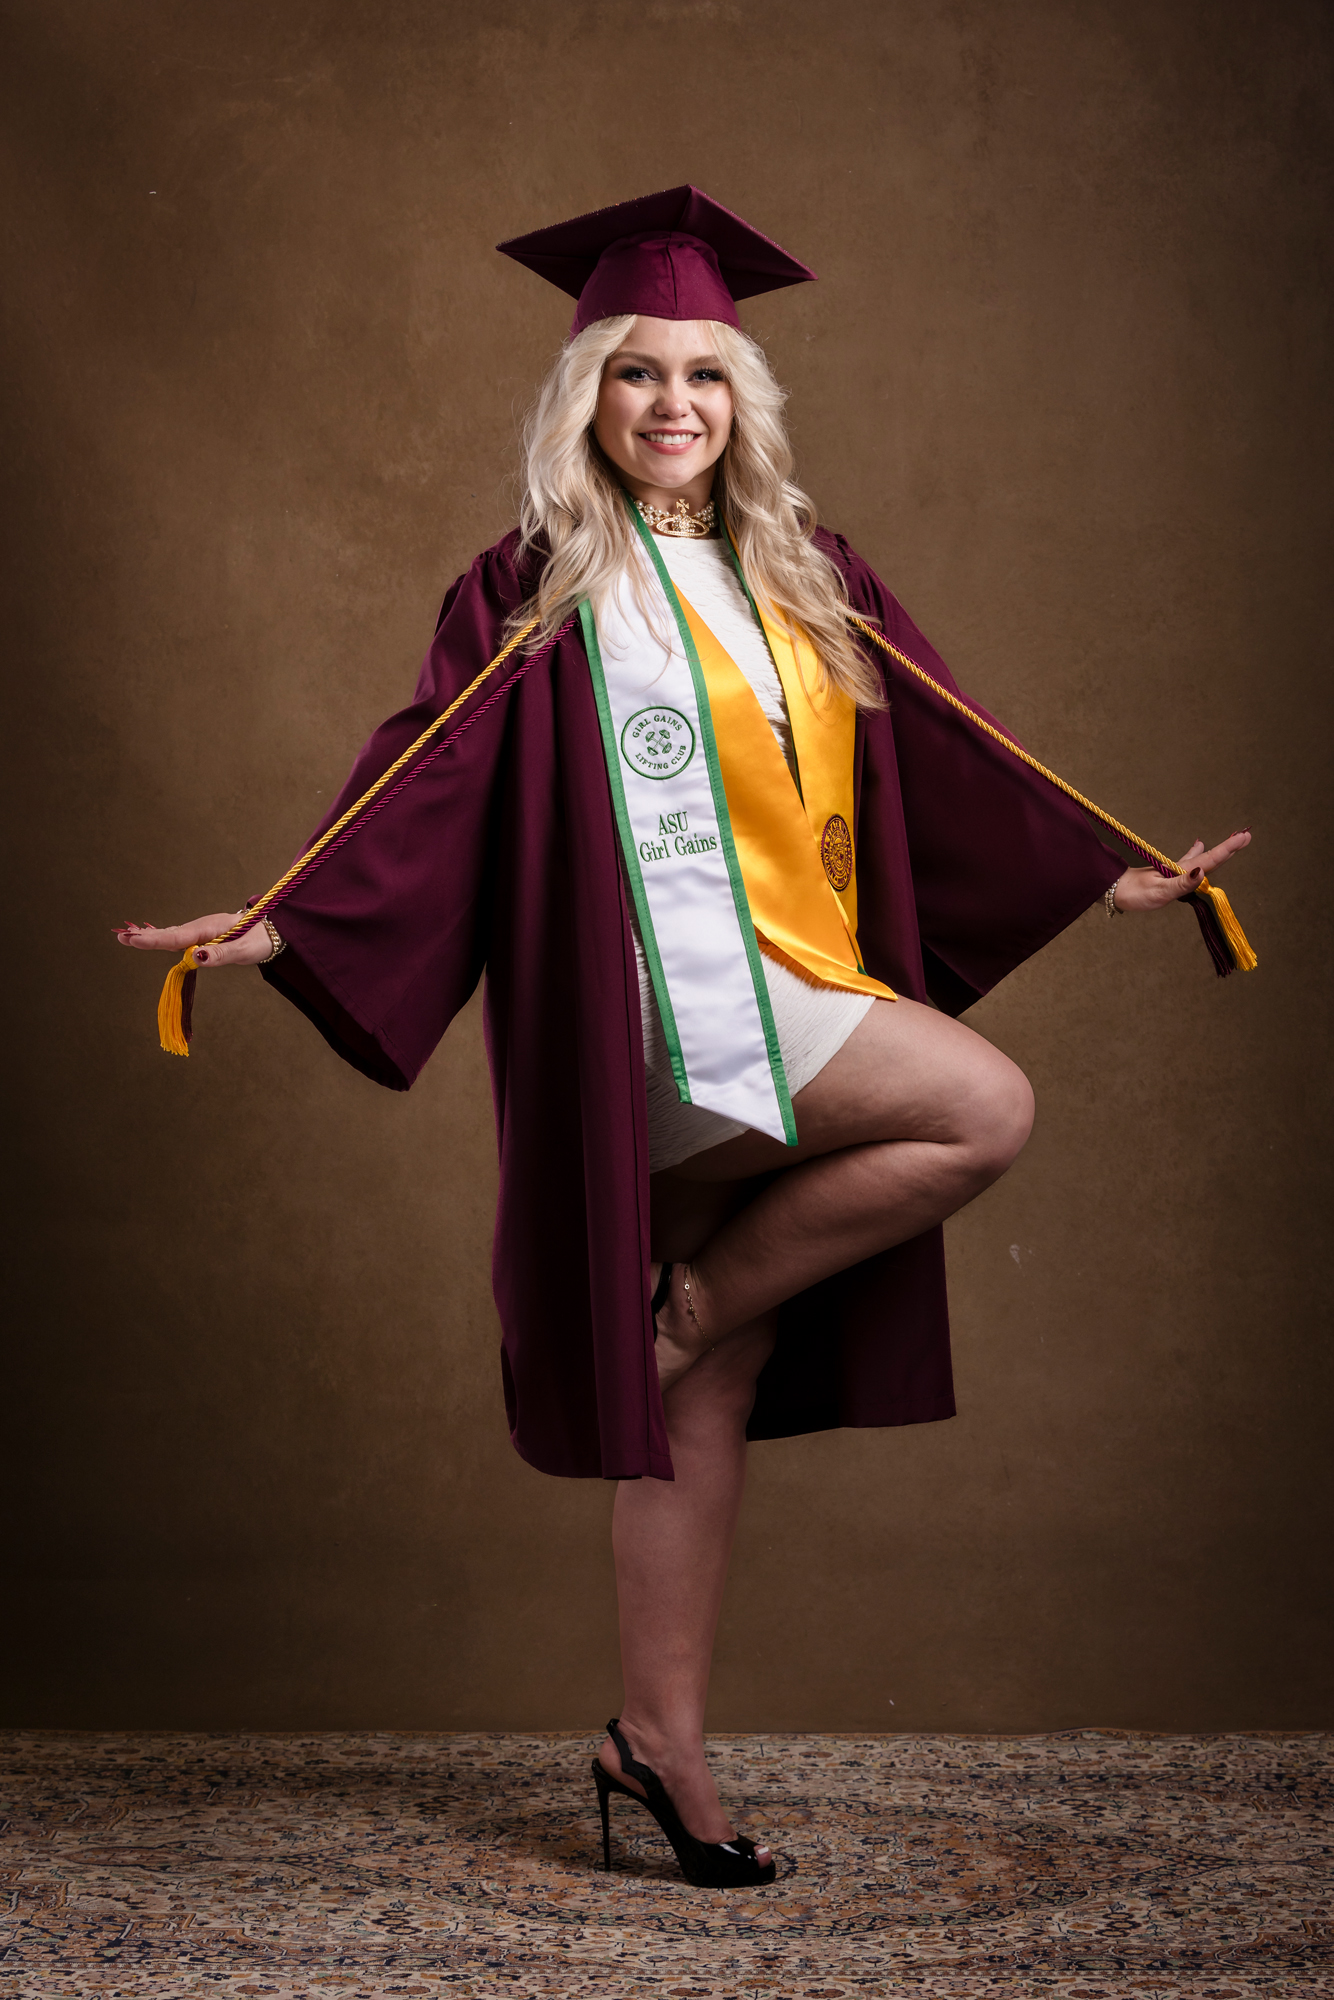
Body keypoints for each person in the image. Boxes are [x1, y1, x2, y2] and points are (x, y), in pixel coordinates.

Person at [117, 186, 1251, 1889]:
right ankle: (690, 1308)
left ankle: (653, 1741)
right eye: (636, 373)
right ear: (587, 395)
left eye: (703, 375)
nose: (671, 404)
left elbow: (951, 745)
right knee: (976, 1106)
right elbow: (429, 766)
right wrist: (293, 917)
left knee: (704, 1395)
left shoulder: (807, 570)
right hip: (657, 1008)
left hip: (798, 970)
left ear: (742, 398)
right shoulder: (538, 583)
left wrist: (1099, 872)